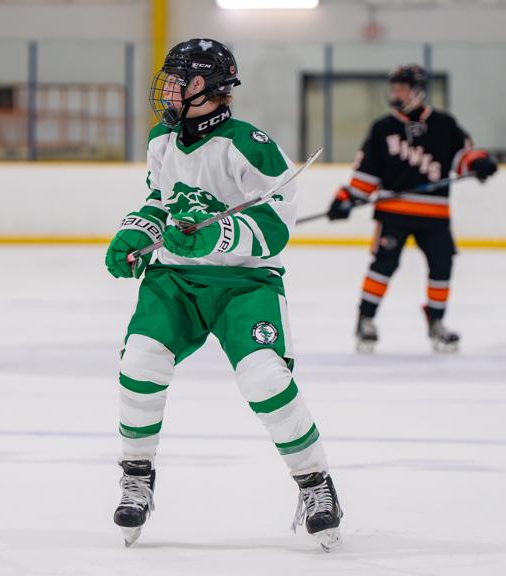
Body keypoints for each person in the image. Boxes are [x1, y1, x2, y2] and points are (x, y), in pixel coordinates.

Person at [103, 38, 342, 551]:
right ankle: (136, 476)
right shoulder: (162, 140)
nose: (167, 88)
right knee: (140, 362)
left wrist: (217, 234)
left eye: (177, 80)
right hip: (176, 280)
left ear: (204, 85)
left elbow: (276, 227)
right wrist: (137, 233)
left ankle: (315, 482)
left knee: (264, 377)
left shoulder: (250, 144)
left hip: (245, 285)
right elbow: (159, 201)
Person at [326, 64, 498, 354]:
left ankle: (436, 321)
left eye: (402, 87)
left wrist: (478, 162)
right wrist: (346, 198)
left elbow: (462, 157)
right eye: (394, 87)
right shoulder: (383, 128)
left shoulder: (444, 124)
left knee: (442, 265)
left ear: (418, 90)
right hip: (393, 212)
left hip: (435, 214)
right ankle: (365, 319)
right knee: (384, 265)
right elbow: (368, 172)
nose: (396, 93)